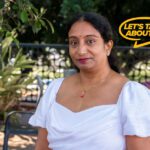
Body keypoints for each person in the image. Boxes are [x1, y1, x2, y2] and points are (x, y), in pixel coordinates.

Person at [29, 12, 150, 150]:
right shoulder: (55, 90)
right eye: (74, 42)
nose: (80, 50)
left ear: (108, 46)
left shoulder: (132, 95)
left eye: (90, 41)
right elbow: (42, 147)